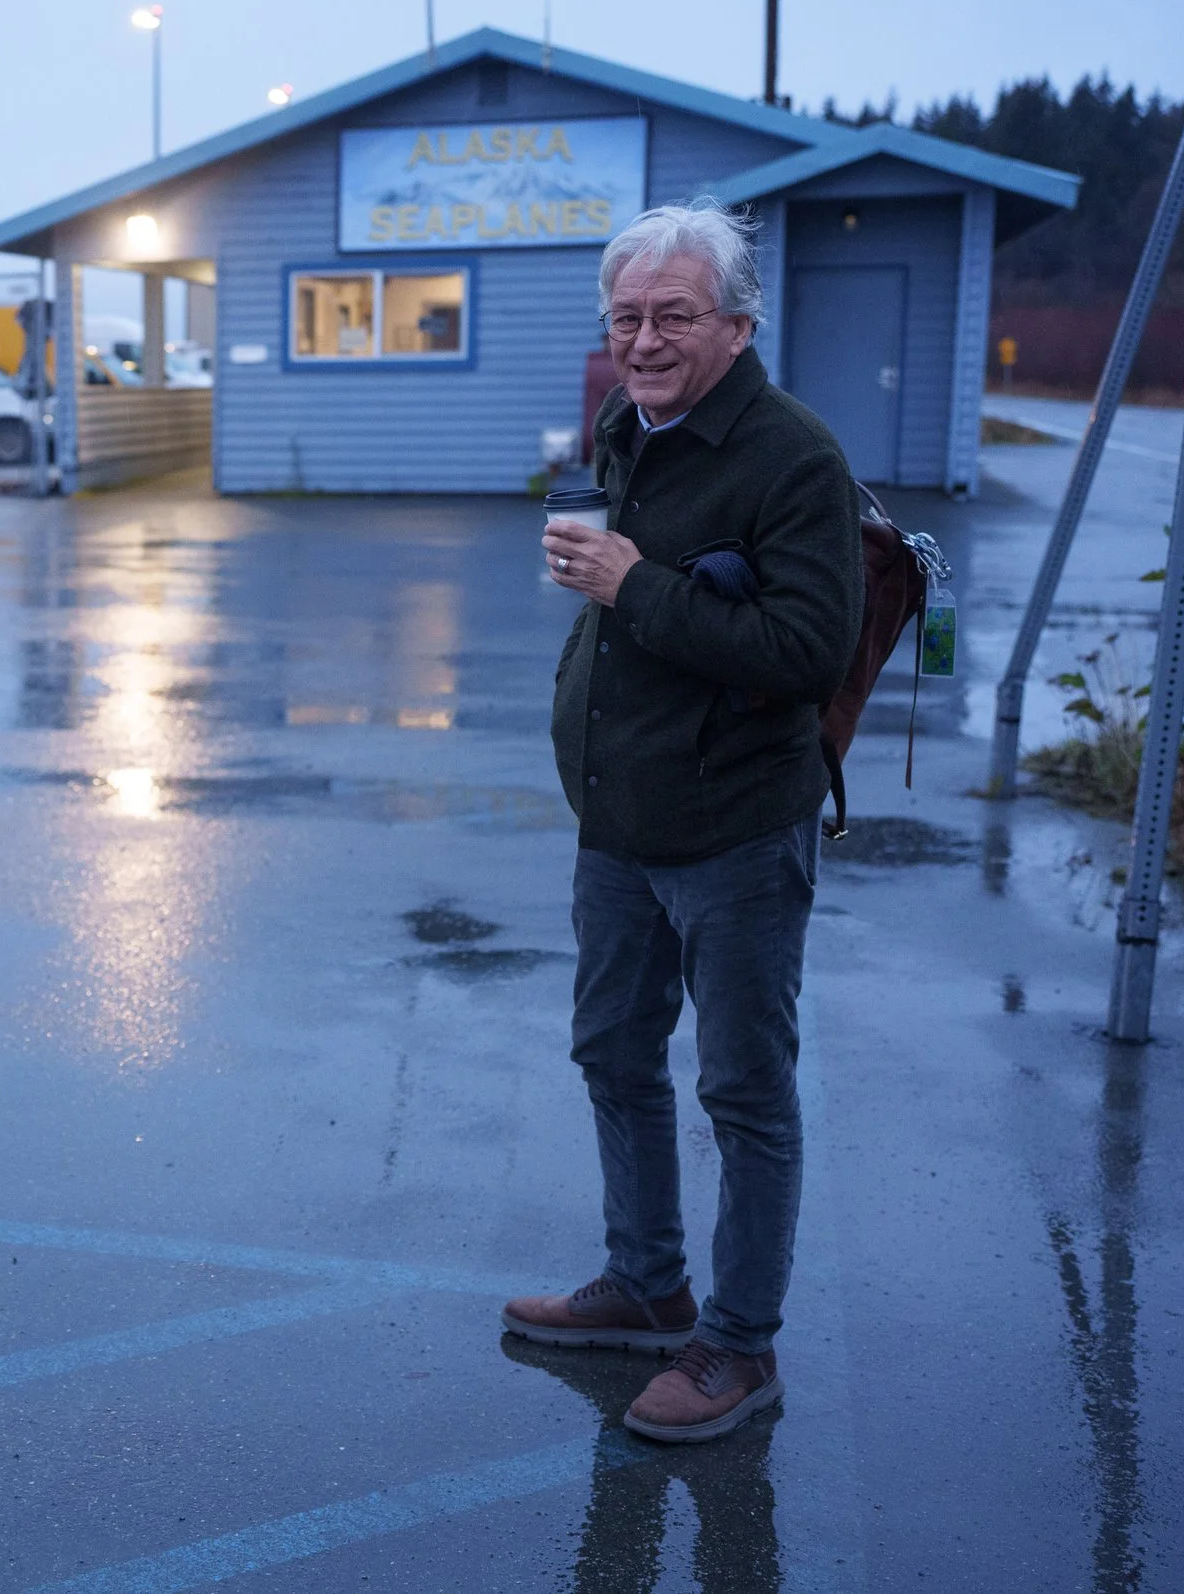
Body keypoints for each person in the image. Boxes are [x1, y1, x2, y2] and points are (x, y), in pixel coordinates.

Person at [503, 200, 862, 1444]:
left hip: (736, 832)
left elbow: (806, 650)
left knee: (744, 1090)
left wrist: (630, 585)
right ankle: (648, 1282)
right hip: (618, 818)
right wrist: (614, 589)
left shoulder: (791, 456)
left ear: (737, 323)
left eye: (672, 315)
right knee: (611, 1053)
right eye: (625, 317)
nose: (644, 339)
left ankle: (738, 1344)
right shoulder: (623, 425)